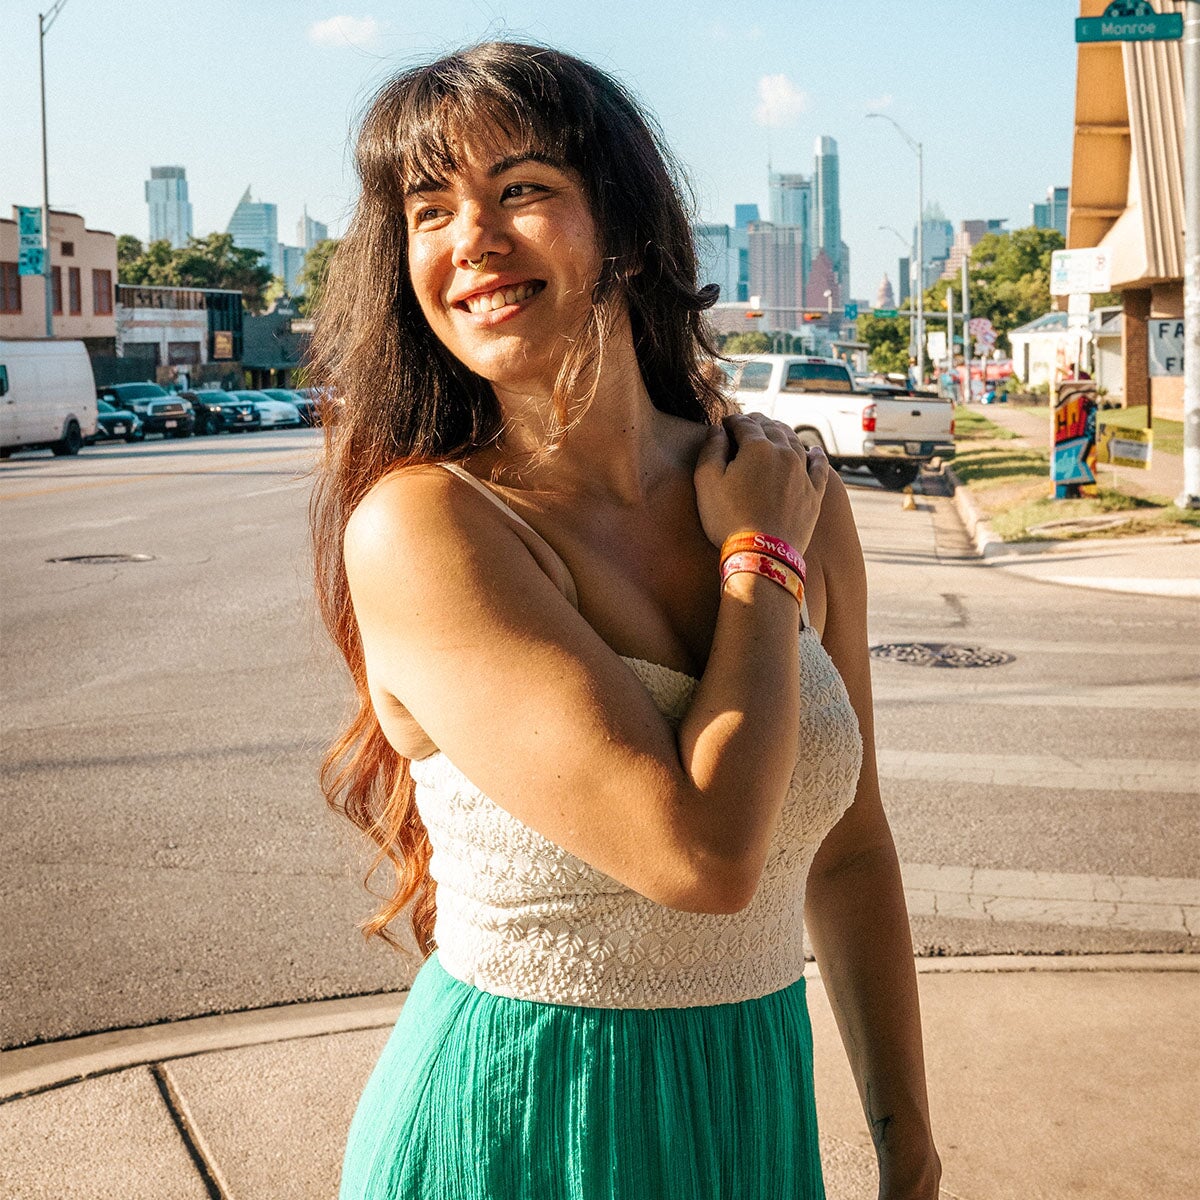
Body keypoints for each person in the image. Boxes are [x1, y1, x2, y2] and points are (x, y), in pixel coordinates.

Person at [310, 42, 940, 1200]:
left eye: (523, 190)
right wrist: (758, 563)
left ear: (624, 219)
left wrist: (909, 1145)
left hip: (750, 1099)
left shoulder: (789, 485)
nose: (474, 242)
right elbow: (698, 857)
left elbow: (851, 845)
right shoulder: (428, 528)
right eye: (430, 209)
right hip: (521, 1121)